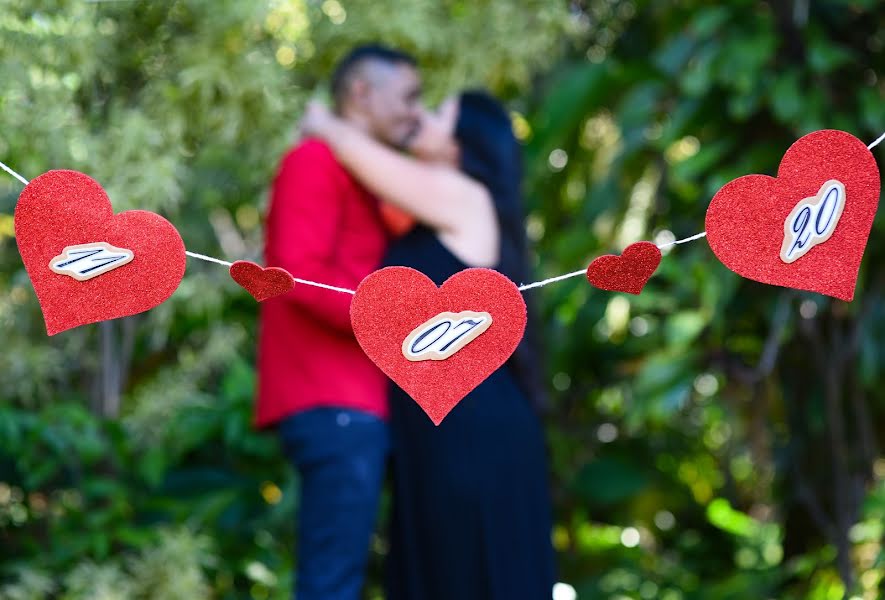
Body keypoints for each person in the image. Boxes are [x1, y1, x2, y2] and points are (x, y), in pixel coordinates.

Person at [300, 90, 556, 599]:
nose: (422, 115)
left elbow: (350, 147)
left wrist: (319, 118)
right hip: (441, 432)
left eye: (440, 112)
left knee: (466, 573)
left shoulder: (462, 194)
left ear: (464, 143)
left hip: (473, 433)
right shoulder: (433, 208)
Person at [255, 45, 421, 600]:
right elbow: (296, 274)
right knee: (331, 582)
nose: (415, 113)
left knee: (341, 576)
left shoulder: (355, 171)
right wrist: (398, 319)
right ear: (361, 93)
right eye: (408, 97)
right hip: (332, 401)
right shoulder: (314, 162)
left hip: (354, 404)